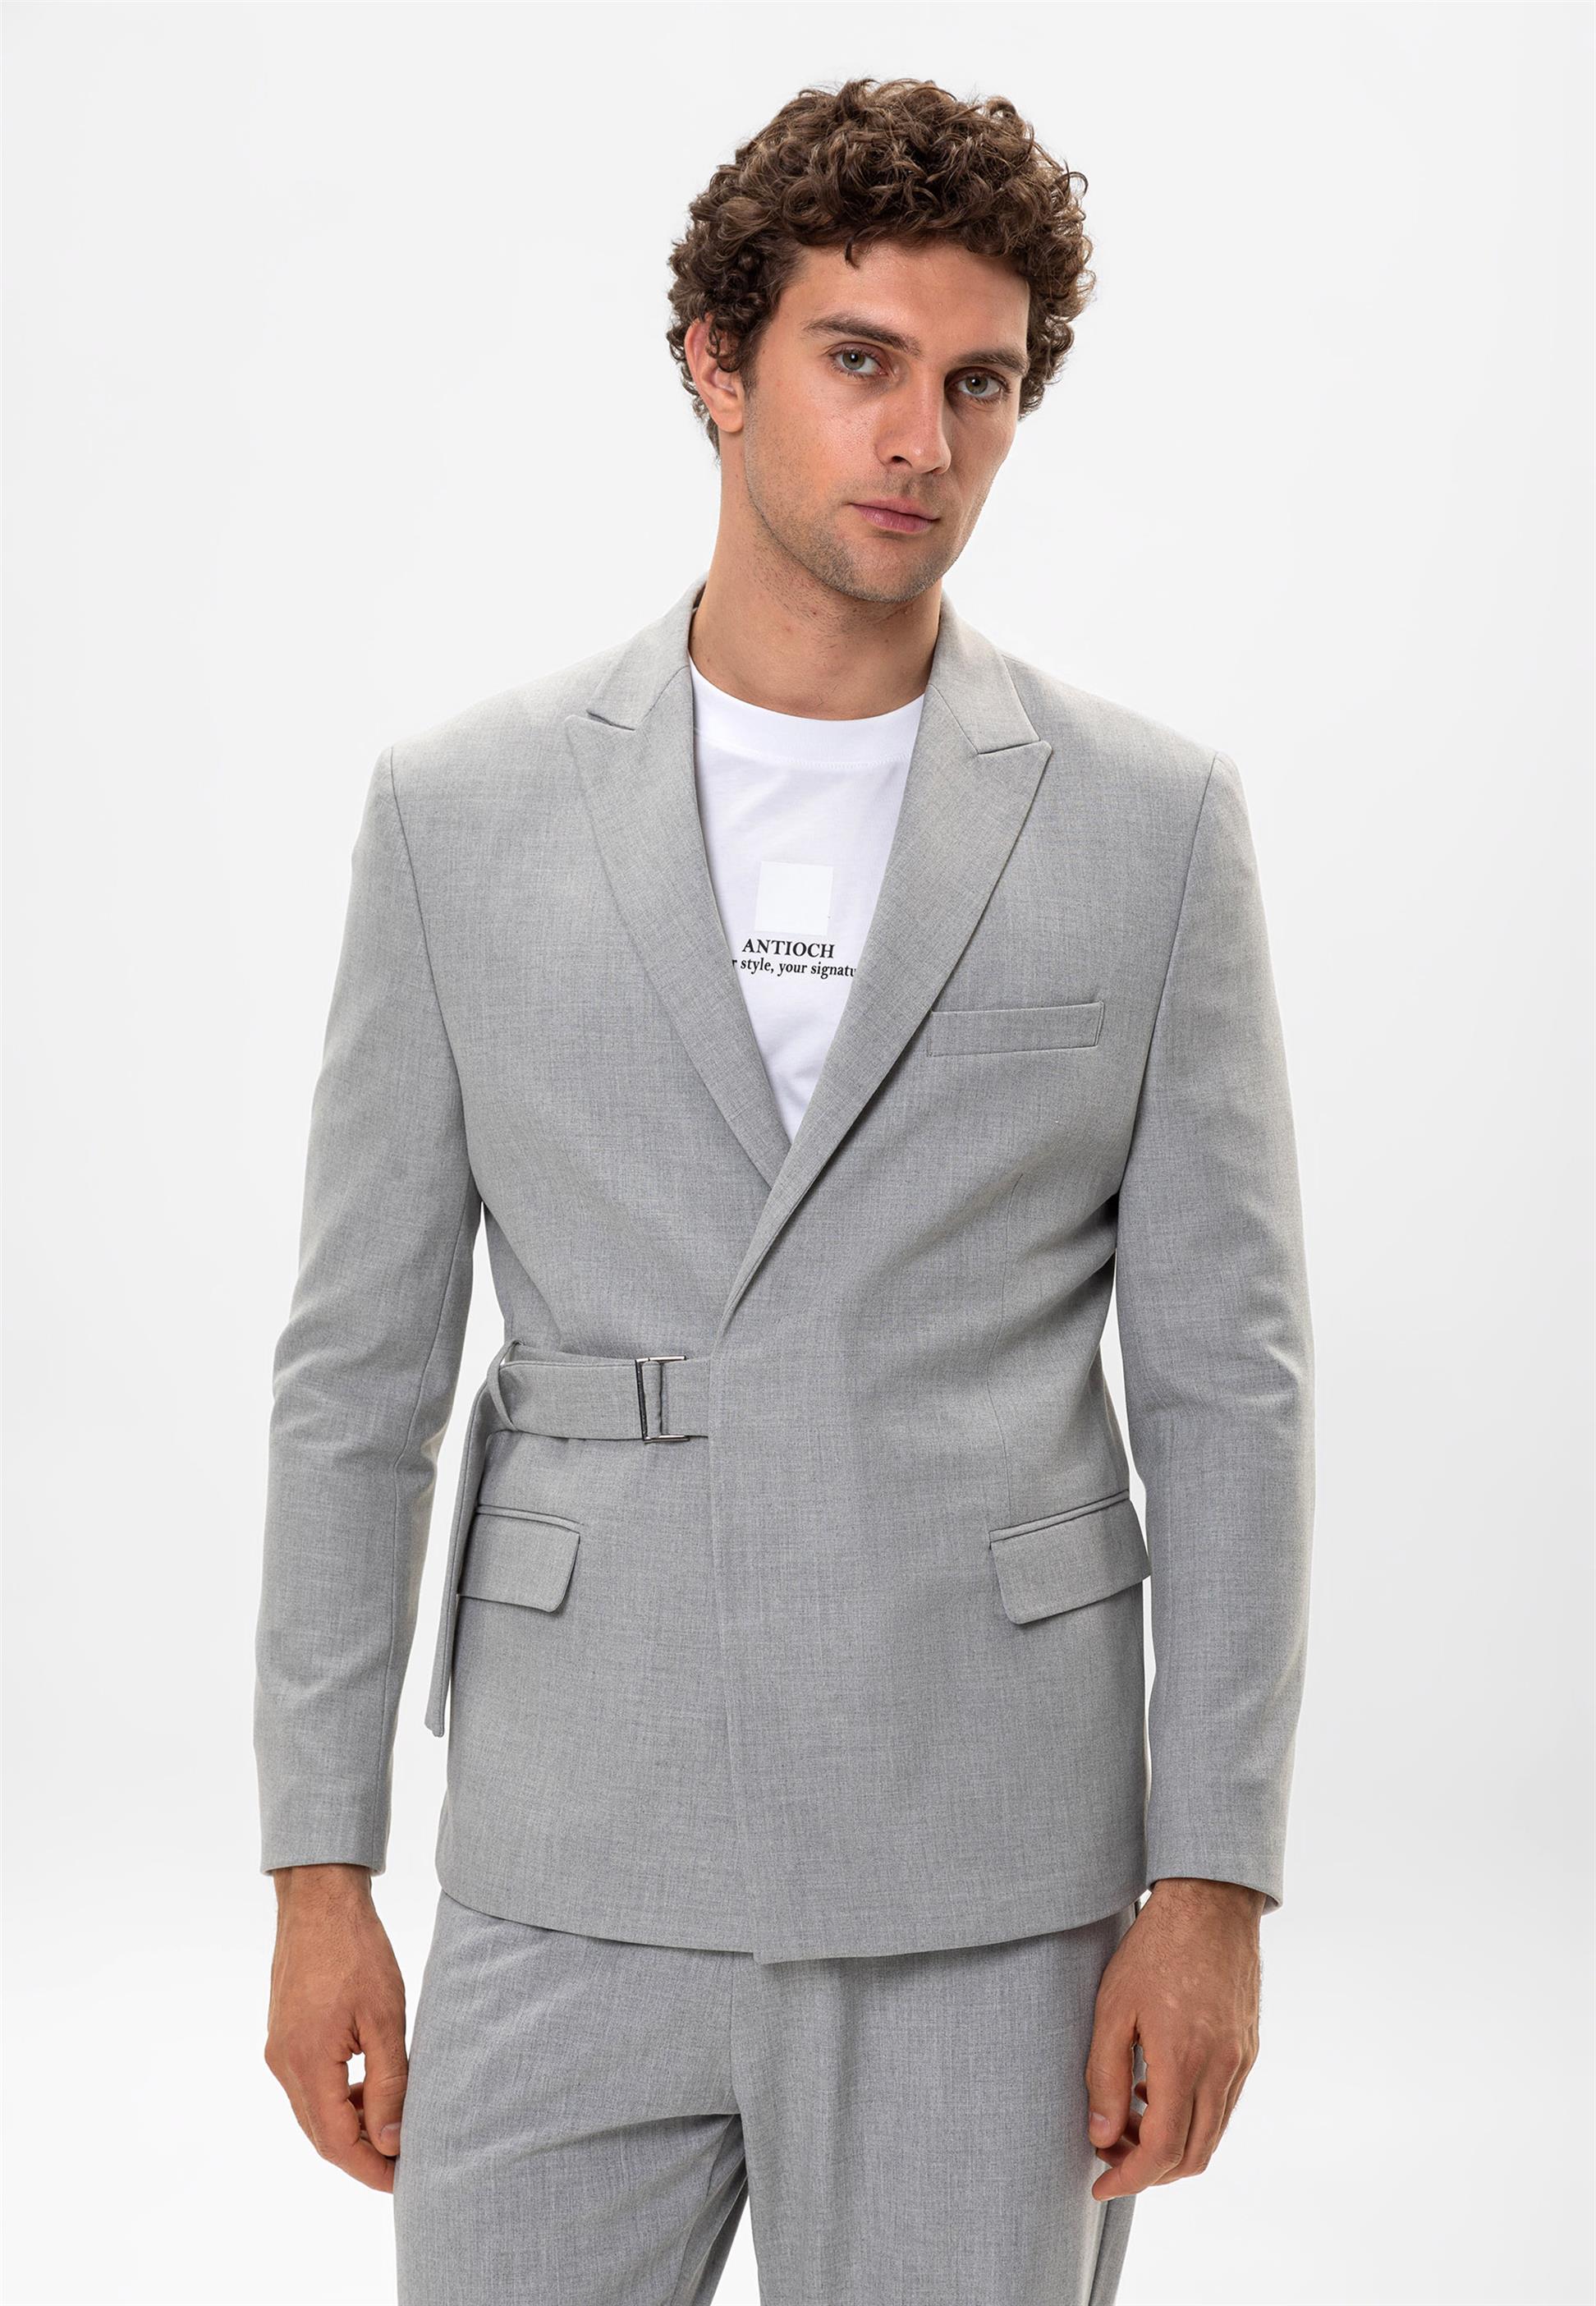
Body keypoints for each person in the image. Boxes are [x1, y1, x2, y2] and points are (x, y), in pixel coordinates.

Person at [256, 74, 1315, 2306]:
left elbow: (1230, 1390)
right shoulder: (461, 816)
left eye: (981, 384)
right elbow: (358, 1375)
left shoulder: (1147, 826)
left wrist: (1214, 1885)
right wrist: (316, 1866)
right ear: (716, 364)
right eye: (860, 360)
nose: (923, 439)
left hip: (990, 1869)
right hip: (571, 1843)